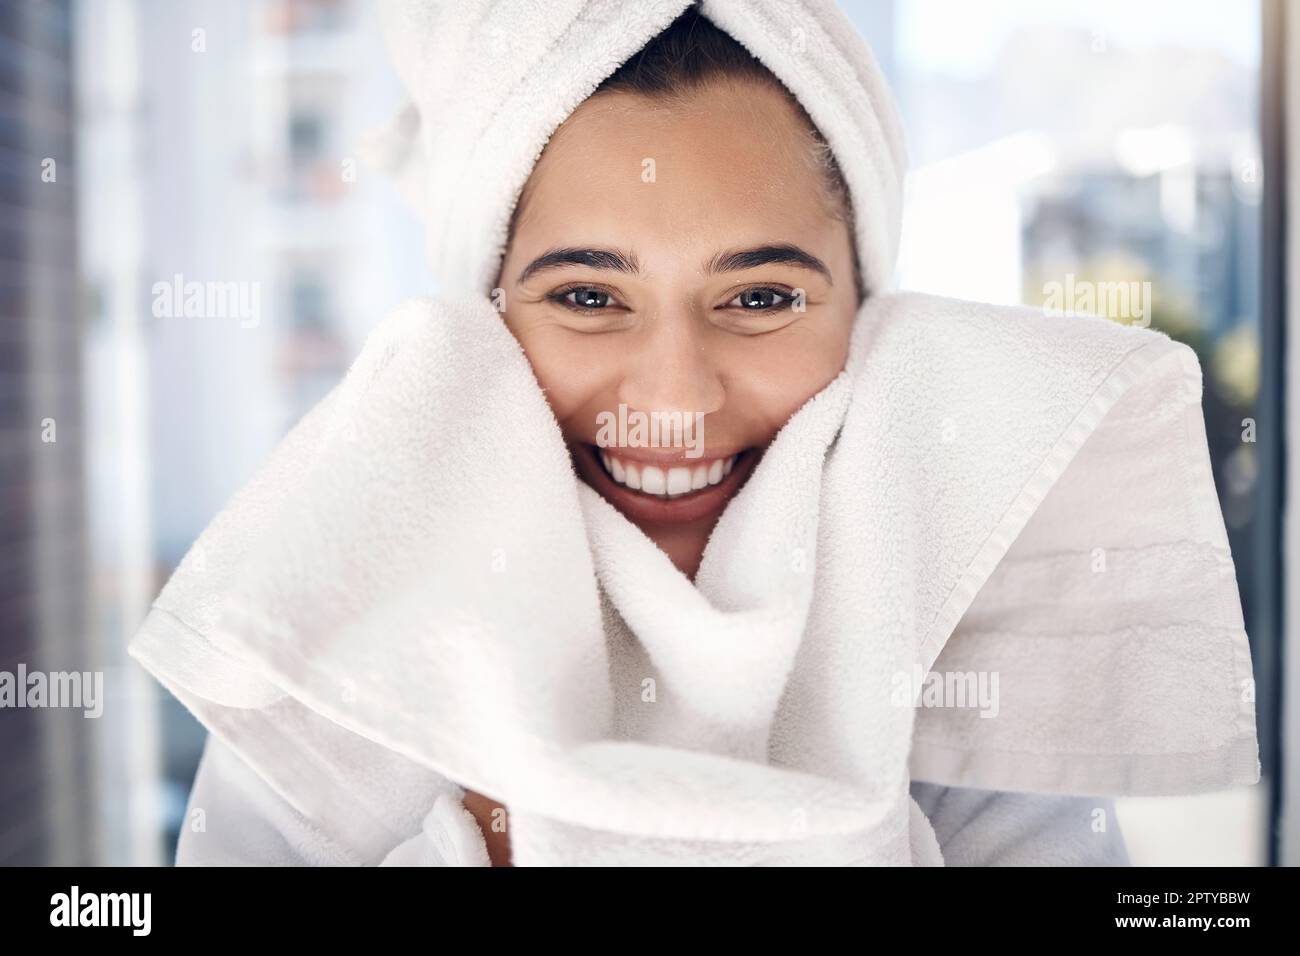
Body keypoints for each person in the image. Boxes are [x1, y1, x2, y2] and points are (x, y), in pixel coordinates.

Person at [139, 0, 1256, 867]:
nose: (671, 397)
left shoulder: (953, 619)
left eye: (760, 297)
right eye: (586, 295)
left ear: (867, 316)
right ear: (481, 323)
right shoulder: (341, 638)